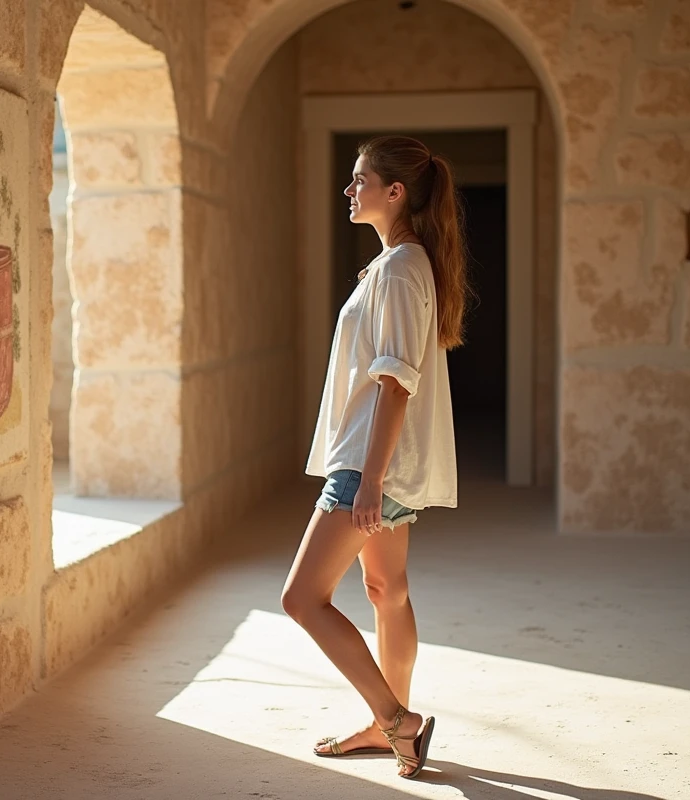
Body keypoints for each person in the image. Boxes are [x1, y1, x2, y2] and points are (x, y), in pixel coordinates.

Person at [281, 135, 467, 780]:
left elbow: (395, 382)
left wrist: (370, 481)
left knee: (302, 599)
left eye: (360, 180)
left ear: (396, 192)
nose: (349, 189)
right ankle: (393, 729)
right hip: (382, 462)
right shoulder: (403, 264)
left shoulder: (396, 269)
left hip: (369, 463)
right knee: (388, 590)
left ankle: (397, 721)